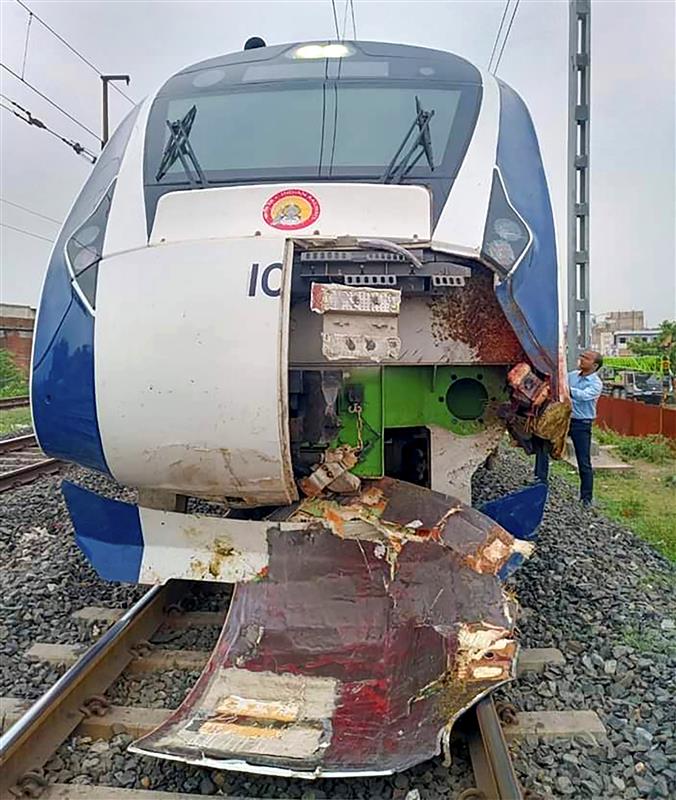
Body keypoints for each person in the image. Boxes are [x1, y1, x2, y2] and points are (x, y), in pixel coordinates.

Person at [568, 350, 604, 506]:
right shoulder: (572, 376)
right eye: (581, 356)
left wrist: (566, 389)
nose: (581, 359)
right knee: (543, 445)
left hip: (581, 424)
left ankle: (586, 498)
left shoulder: (596, 384)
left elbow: (582, 396)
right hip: (563, 420)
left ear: (594, 365)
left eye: (586, 358)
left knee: (583, 461)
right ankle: (539, 480)